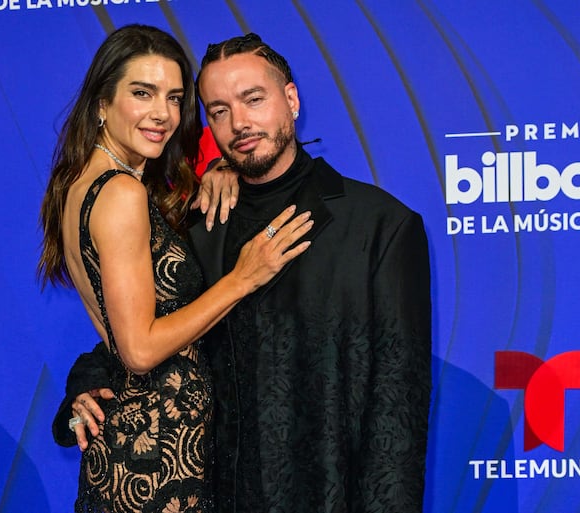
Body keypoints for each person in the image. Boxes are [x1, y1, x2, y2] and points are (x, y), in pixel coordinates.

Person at [68, 32, 431, 512]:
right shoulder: (195, 223)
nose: (239, 122)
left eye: (253, 99)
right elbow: (144, 328)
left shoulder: (379, 226)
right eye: (218, 110)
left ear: (292, 100)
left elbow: (396, 417)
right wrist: (87, 383)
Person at [39, 26, 313, 513]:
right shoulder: (121, 194)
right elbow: (140, 349)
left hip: (150, 446)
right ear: (102, 102)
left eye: (173, 97)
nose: (161, 114)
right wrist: (242, 278)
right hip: (156, 455)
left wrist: (218, 168)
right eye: (141, 93)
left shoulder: (84, 184)